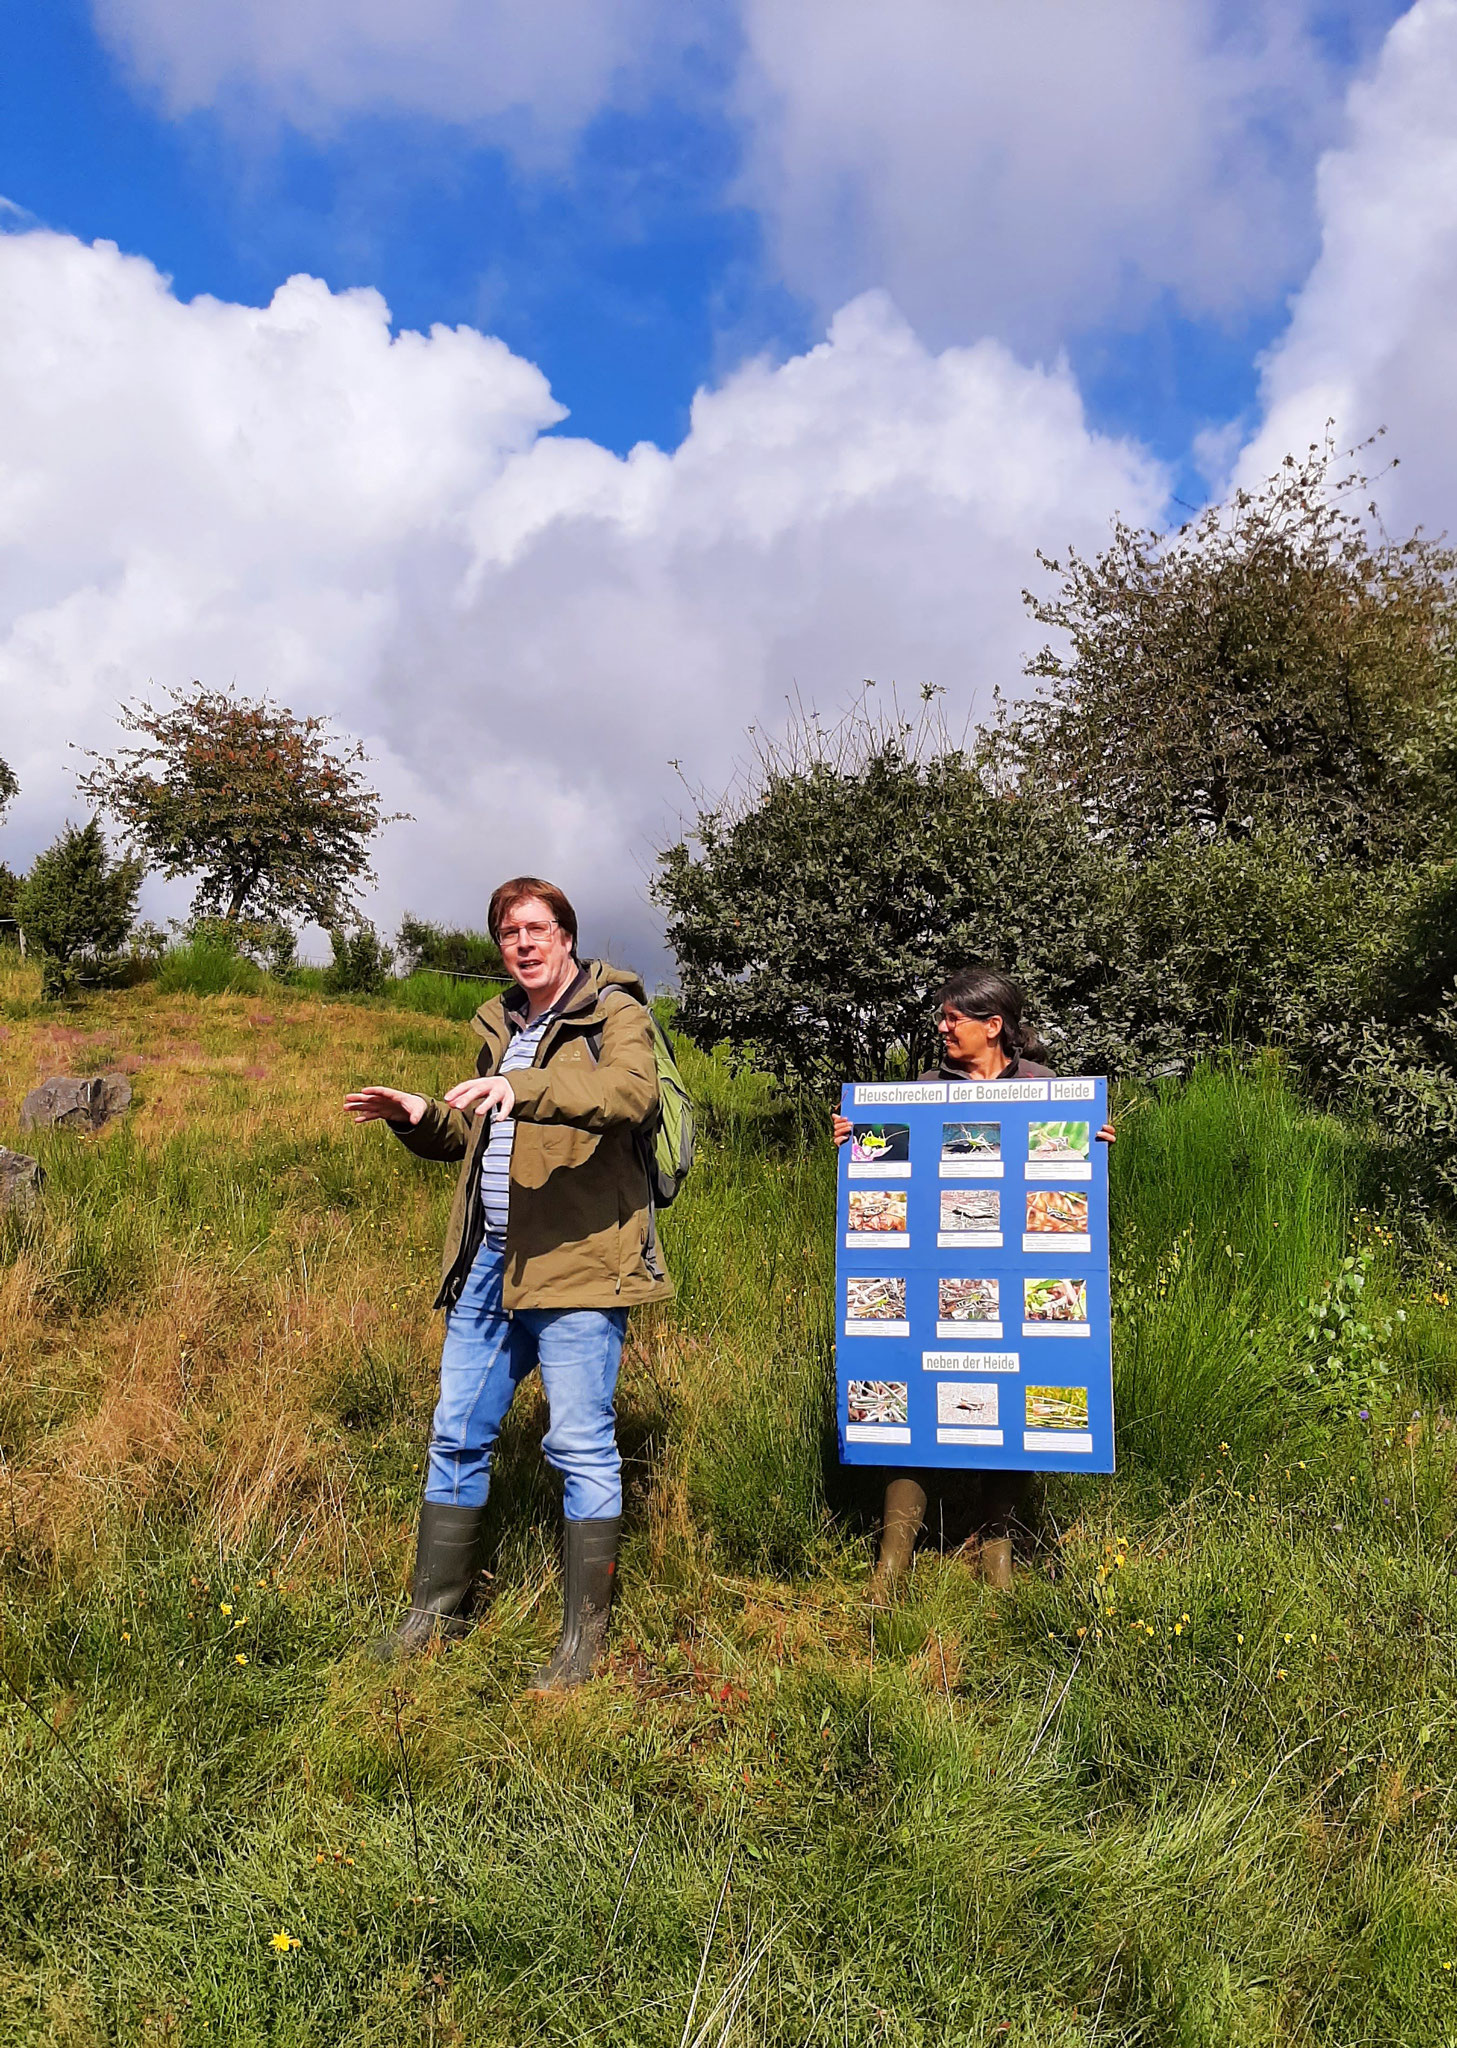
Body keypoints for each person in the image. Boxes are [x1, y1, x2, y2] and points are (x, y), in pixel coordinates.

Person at [344, 877, 670, 1689]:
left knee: (579, 1445)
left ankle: (581, 1643)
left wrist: (518, 1088)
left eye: (536, 929)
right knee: (455, 1431)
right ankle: (432, 1615)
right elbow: (474, 1135)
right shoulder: (501, 1024)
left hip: (581, 1260)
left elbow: (632, 1093)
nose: (521, 944)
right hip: (491, 1260)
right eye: (507, 933)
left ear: (565, 936)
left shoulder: (614, 1012)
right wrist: (419, 1117)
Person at [832, 962, 1113, 1602]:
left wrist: (1091, 1140)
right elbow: (890, 1164)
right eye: (942, 1017)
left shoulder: (1046, 1089)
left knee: (1013, 1404)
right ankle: (891, 1563)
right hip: (934, 1277)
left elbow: (1061, 1169)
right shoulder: (927, 1091)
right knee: (916, 1401)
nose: (942, 1028)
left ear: (995, 1027)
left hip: (1019, 1278)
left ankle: (998, 1553)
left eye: (953, 1018)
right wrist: (853, 1138)